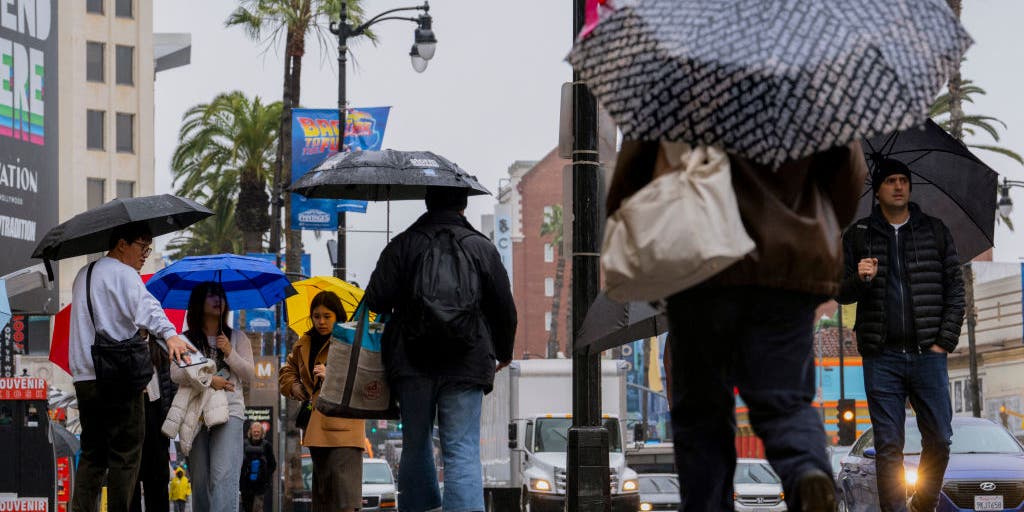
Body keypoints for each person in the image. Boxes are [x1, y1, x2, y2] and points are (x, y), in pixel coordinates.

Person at [607, 141, 867, 512]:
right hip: (787, 269)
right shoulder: (806, 87)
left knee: (702, 411)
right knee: (787, 402)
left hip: (701, 268)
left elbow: (630, 180)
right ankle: (807, 471)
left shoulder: (678, 87)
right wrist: (812, 225)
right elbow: (848, 173)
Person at [364, 187, 517, 512]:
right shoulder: (482, 248)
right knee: (461, 448)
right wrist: (503, 352)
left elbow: (375, 298)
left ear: (427, 203)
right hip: (467, 361)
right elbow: (504, 308)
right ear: (463, 206)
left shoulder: (404, 244)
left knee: (416, 445)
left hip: (411, 362)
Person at [837, 159, 965, 512]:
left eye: (903, 181)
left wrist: (944, 342)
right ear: (877, 190)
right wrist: (860, 279)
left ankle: (922, 506)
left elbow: (955, 289)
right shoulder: (859, 235)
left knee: (940, 438)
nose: (898, 186)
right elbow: (839, 291)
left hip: (929, 355)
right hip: (882, 356)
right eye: (890, 181)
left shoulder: (934, 231)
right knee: (890, 445)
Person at [69, 222, 194, 512]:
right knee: (125, 455)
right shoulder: (125, 274)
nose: (145, 255)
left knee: (92, 455)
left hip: (86, 377)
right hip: (119, 377)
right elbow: (147, 307)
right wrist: (170, 333)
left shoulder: (82, 275)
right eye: (142, 246)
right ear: (121, 244)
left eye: (149, 248)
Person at [172, 282, 255, 512]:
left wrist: (230, 352)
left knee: (224, 475)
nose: (218, 299)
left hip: (230, 412)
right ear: (199, 302)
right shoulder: (185, 340)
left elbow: (249, 375)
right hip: (196, 413)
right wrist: (209, 380)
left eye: (220, 295)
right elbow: (176, 374)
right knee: (200, 479)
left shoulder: (237, 338)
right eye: (211, 295)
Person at [279, 291, 364, 512]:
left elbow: (366, 378)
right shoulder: (304, 343)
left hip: (345, 428)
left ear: (338, 316)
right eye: (316, 316)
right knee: (323, 496)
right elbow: (286, 372)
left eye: (327, 316)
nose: (321, 321)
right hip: (316, 427)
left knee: (346, 498)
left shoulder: (352, 340)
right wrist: (296, 387)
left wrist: (332, 374)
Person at [130, 335, 179, 512]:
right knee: (130, 482)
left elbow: (172, 384)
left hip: (157, 416)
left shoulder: (161, 344)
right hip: (131, 415)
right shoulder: (123, 338)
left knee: (157, 481)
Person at [240, 422, 277, 512]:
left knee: (257, 508)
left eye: (258, 431)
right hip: (246, 485)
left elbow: (272, 464)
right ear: (250, 432)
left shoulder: (267, 445)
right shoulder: (244, 444)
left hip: (260, 486)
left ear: (262, 433)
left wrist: (265, 477)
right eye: (254, 431)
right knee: (247, 508)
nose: (256, 433)